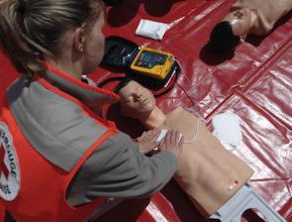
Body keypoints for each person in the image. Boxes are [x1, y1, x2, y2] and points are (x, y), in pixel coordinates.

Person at [0, 1, 184, 221]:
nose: (103, 37)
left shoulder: (17, 88)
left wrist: (130, 149)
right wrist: (169, 156)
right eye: (101, 29)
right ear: (81, 39)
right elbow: (148, 179)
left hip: (21, 197)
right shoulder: (98, 147)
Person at [115, 79, 286, 221]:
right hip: (211, 202)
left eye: (139, 88)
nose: (138, 94)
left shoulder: (181, 113)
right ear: (125, 112)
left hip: (239, 179)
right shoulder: (147, 142)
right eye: (129, 97)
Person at [209, 0, 292, 52]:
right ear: (242, 37)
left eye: (234, 14)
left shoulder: (239, 5)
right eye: (240, 17)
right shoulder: (265, 21)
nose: (239, 12)